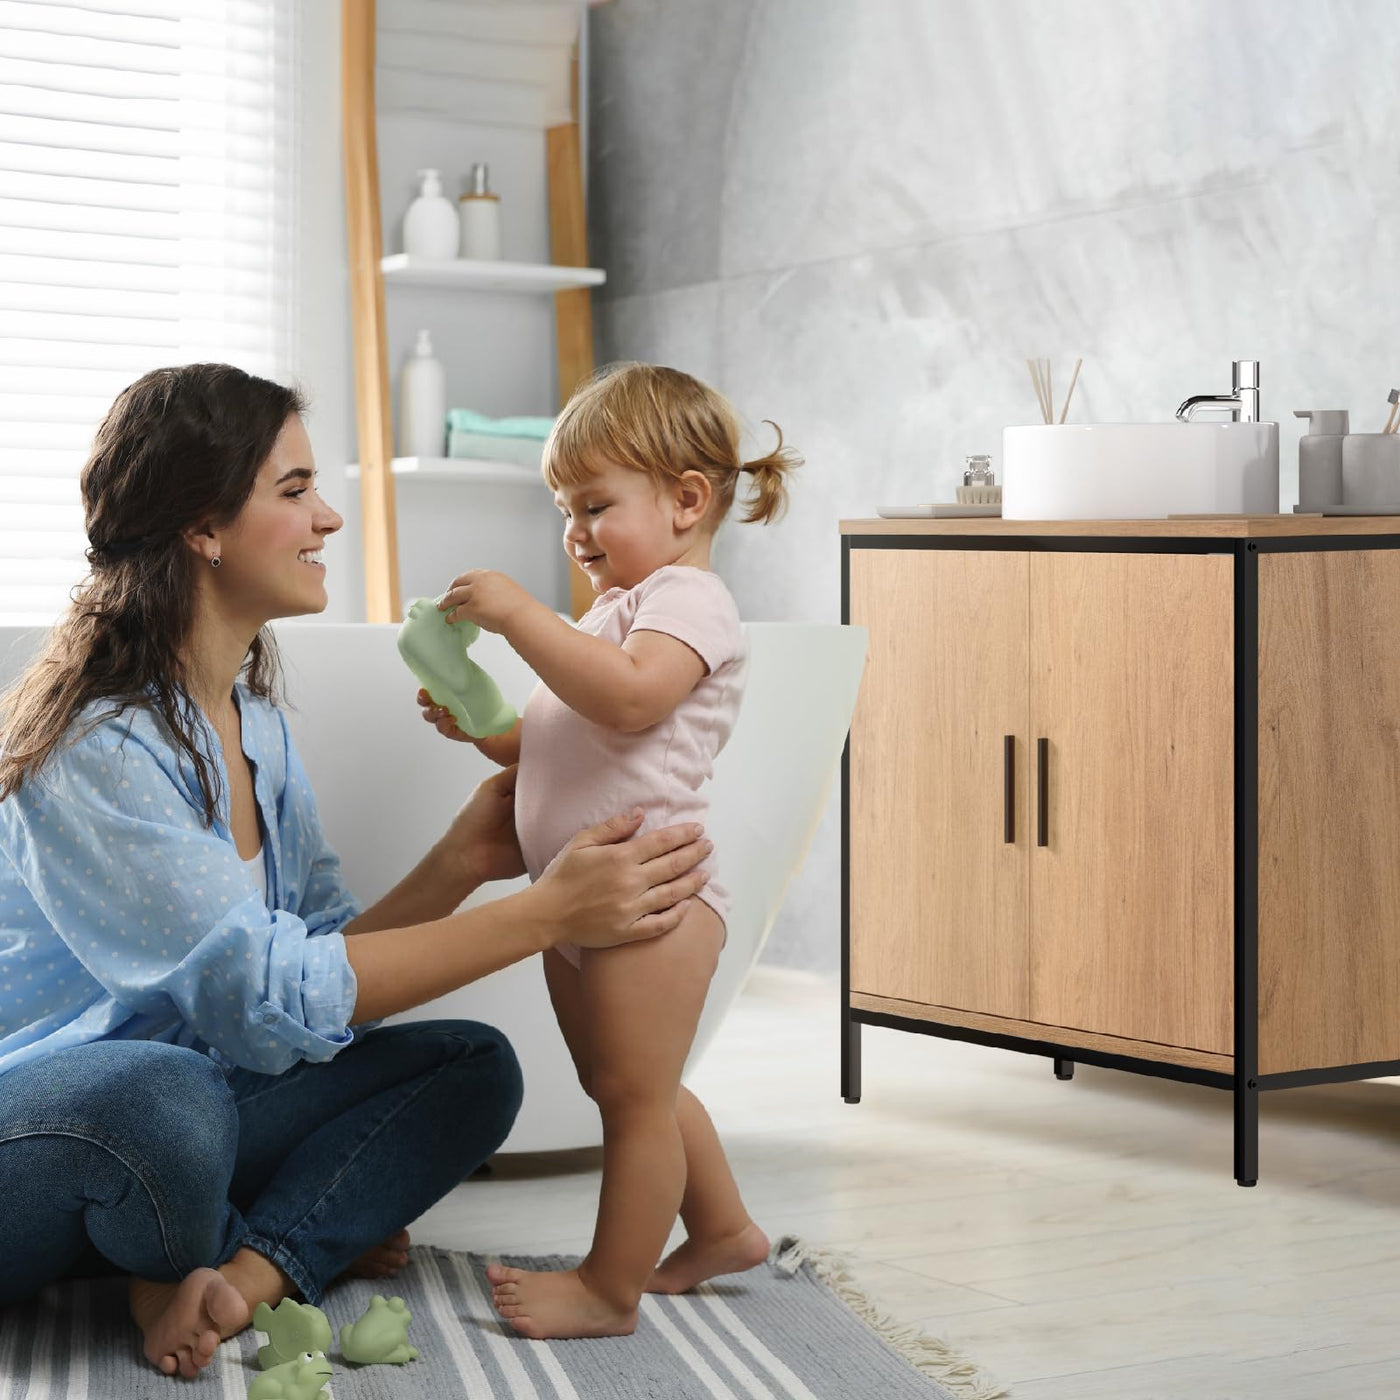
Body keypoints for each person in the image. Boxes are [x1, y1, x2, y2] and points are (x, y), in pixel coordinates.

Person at [0, 363, 711, 1380]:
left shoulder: (255, 723)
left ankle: (244, 1267)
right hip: (54, 1125)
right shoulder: (99, 748)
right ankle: (224, 1235)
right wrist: (544, 912)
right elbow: (256, 997)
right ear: (202, 527)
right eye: (293, 490)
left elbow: (325, 973)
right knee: (162, 1099)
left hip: (200, 1114)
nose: (328, 516)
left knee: (471, 1063)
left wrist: (465, 860)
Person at [417, 361, 801, 1339]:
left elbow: (630, 699)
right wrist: (482, 722)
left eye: (593, 504)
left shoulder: (688, 601)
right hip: (589, 897)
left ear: (685, 501)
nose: (574, 532)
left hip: (651, 896)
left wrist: (515, 615)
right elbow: (565, 733)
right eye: (562, 508)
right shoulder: (614, 612)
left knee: (632, 1100)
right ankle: (720, 1226)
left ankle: (607, 1286)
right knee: (634, 1086)